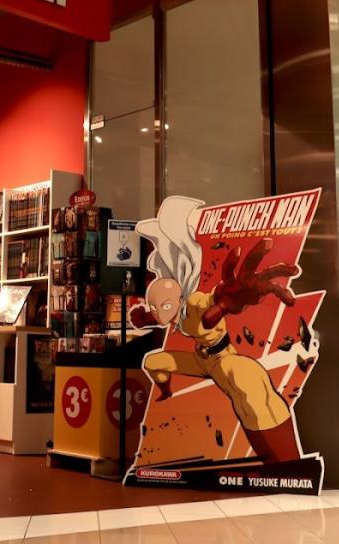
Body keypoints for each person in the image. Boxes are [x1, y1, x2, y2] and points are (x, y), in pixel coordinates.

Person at [129, 197, 302, 464]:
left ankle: (287, 463)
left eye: (164, 305)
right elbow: (163, 313)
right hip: (200, 360)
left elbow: (211, 302)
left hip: (222, 358)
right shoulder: (172, 308)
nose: (160, 311)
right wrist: (146, 318)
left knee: (249, 383)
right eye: (156, 306)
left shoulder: (195, 301)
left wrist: (226, 300)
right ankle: (165, 392)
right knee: (153, 361)